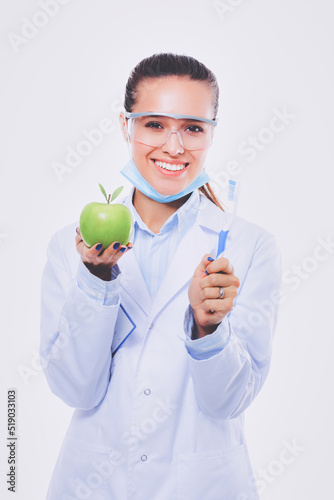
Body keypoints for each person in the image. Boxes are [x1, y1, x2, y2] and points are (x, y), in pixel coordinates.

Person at [40, 53, 282, 500]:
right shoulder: (68, 247)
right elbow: (75, 387)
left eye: (193, 128)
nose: (174, 147)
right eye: (154, 124)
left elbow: (228, 401)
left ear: (211, 134)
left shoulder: (249, 247)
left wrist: (207, 326)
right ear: (125, 126)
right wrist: (96, 281)